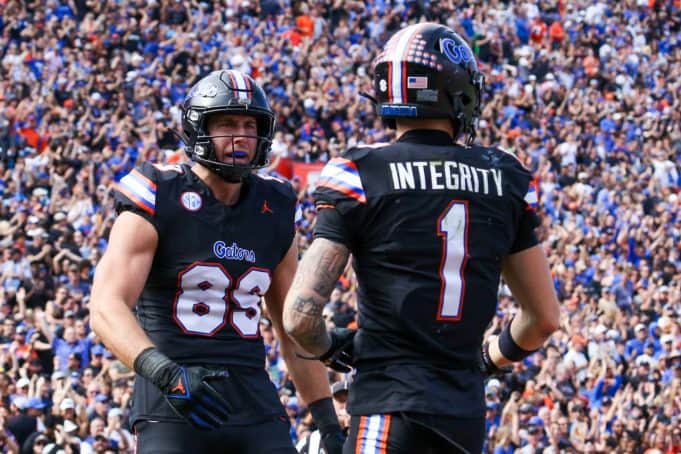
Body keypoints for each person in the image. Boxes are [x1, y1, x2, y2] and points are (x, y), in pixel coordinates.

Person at [283, 23, 560, 453]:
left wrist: (335, 348)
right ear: (457, 91)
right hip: (462, 413)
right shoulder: (505, 176)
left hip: (386, 403)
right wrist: (486, 360)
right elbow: (543, 318)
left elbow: (299, 317)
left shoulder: (361, 172)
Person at [90, 70, 343, 453]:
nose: (240, 135)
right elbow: (106, 306)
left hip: (253, 401)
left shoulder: (274, 205)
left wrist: (327, 421)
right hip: (172, 401)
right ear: (197, 128)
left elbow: (292, 324)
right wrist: (166, 374)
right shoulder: (159, 191)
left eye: (249, 124)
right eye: (226, 124)